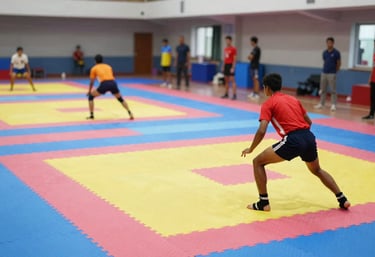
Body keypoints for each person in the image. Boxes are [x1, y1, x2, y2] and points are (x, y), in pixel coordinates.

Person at [241, 73, 350, 211]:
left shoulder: (268, 104)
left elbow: (262, 130)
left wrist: (251, 148)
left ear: (267, 88)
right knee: (317, 170)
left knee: (257, 162)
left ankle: (263, 203)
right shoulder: (293, 99)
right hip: (308, 137)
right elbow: (309, 122)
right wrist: (302, 138)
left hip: (294, 139)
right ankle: (342, 198)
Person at [87, 54, 134, 120]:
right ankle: (130, 113)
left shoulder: (94, 68)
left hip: (104, 84)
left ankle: (91, 115)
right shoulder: (108, 66)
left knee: (91, 96)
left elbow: (92, 82)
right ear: (102, 60)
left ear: (95, 61)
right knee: (120, 99)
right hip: (113, 83)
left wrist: (89, 91)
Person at [314, 37, 341, 111]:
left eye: (330, 42)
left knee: (333, 90)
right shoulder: (324, 52)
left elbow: (338, 63)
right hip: (324, 72)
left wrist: (336, 71)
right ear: (326, 43)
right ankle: (321, 103)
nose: (329, 44)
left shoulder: (336, 53)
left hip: (332, 73)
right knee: (322, 89)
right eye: (328, 42)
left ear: (333, 43)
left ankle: (333, 104)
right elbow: (325, 61)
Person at [221, 36, 237, 100]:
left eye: (228, 40)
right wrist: (223, 66)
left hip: (230, 65)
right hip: (226, 65)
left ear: (230, 41)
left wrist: (233, 67)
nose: (227, 42)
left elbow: (234, 59)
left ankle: (234, 94)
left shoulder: (233, 49)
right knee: (226, 80)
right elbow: (225, 58)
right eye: (226, 40)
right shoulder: (225, 49)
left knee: (232, 80)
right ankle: (226, 94)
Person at [362, 40, 375, 120]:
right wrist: (370, 77)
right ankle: (371, 114)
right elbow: (373, 68)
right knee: (372, 97)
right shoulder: (374, 55)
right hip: (373, 80)